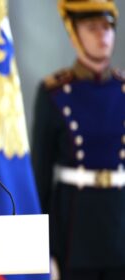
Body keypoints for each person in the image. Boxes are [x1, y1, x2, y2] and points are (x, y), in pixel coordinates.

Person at [32, 0, 125, 279]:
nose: (102, 36)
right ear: (74, 34)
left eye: (108, 28)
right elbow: (41, 176)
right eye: (92, 28)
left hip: (119, 224)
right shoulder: (55, 93)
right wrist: (44, 249)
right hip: (75, 229)